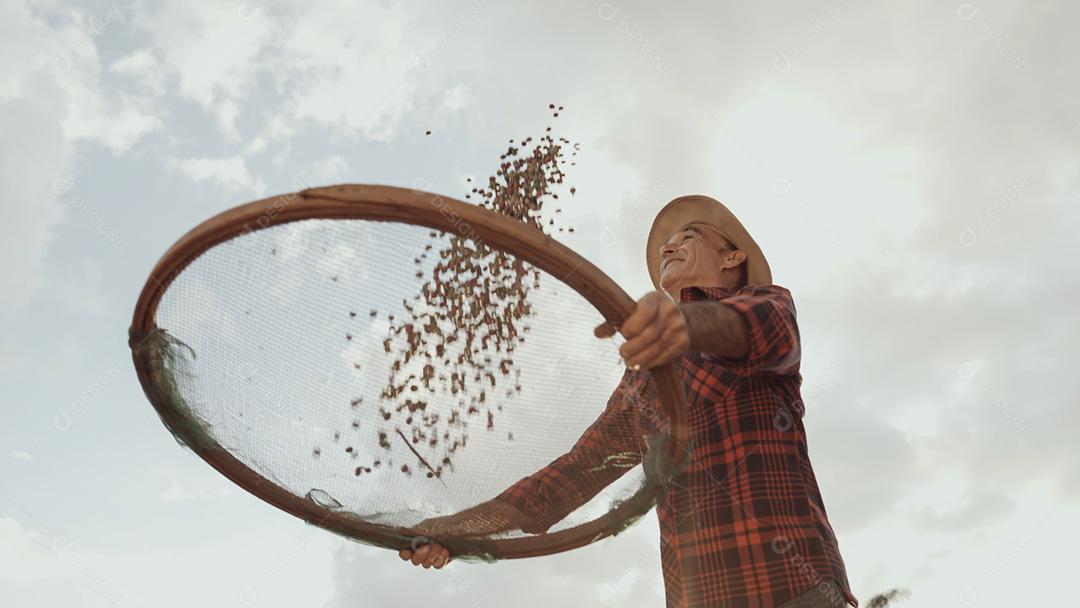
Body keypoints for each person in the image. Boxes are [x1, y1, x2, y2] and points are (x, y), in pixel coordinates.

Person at [399, 195, 858, 608]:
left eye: (689, 235)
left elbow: (752, 327)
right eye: (666, 243)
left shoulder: (765, 303)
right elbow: (569, 478)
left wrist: (686, 323)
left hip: (793, 590)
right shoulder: (641, 383)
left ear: (731, 255)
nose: (667, 247)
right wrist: (457, 530)